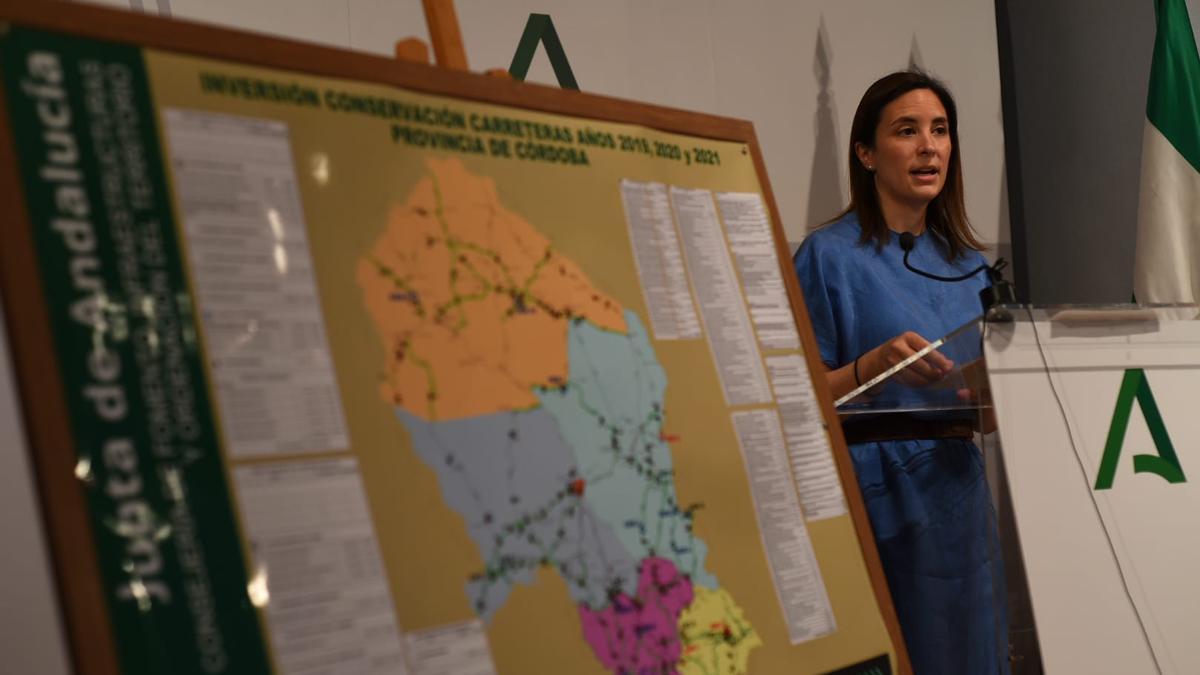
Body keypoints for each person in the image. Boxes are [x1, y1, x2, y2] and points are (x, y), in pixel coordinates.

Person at [793, 70, 1009, 674]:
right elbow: (792, 401)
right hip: (868, 503)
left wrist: (1000, 397)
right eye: (907, 131)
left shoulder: (973, 267)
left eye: (940, 131)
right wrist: (872, 366)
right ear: (866, 153)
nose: (929, 147)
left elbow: (988, 417)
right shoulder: (827, 256)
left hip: (958, 499)